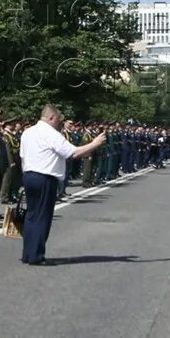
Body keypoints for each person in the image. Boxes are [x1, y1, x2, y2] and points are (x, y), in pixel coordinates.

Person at [17, 105, 107, 265]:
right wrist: (95, 143)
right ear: (51, 118)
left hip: (29, 175)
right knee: (42, 217)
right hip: (44, 177)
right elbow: (74, 153)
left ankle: (28, 253)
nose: (61, 122)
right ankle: (36, 256)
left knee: (31, 216)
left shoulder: (28, 132)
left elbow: (23, 157)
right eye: (59, 119)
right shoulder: (51, 134)